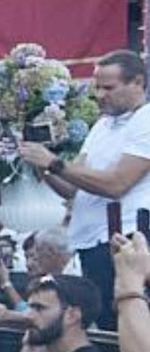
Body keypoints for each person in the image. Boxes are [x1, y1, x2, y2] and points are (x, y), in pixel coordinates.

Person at [21, 49, 150, 327]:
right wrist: (38, 162)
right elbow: (71, 188)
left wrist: (54, 163)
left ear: (137, 83)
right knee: (104, 325)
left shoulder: (146, 120)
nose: (101, 95)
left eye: (109, 87)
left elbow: (118, 184)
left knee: (128, 323)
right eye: (97, 87)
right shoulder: (101, 126)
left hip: (126, 237)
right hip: (91, 241)